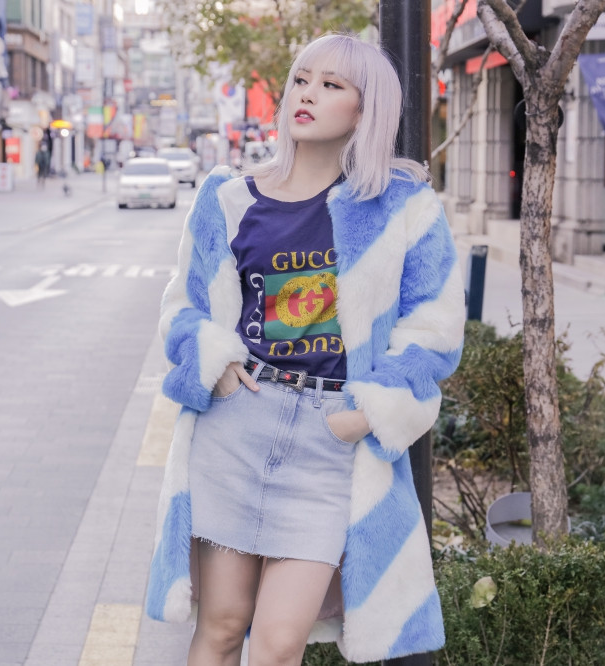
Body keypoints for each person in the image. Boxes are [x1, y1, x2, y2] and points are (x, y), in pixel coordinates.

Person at [145, 33, 466, 665]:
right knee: (222, 625)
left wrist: (368, 412)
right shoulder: (229, 197)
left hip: (330, 440)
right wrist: (216, 362)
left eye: (331, 85)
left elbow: (434, 329)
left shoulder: (401, 207)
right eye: (302, 79)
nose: (308, 94)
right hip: (236, 428)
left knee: (279, 641)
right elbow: (183, 307)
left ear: (365, 108)